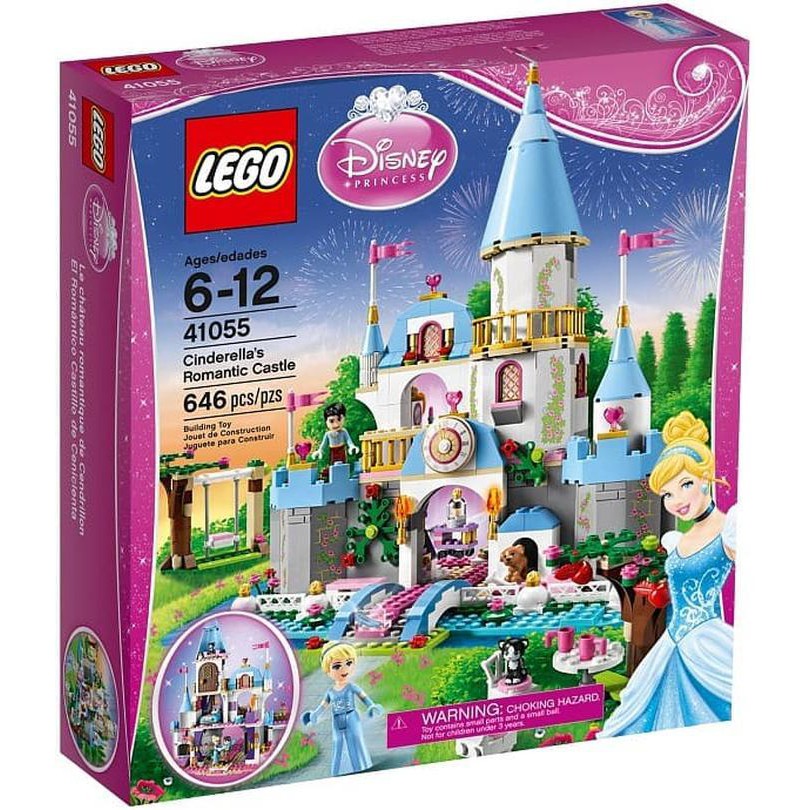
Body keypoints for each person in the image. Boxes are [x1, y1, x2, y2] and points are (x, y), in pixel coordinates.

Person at [599, 411, 736, 737]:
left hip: (706, 641)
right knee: (640, 709)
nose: (676, 501)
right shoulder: (677, 540)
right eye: (668, 494)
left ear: (705, 478)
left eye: (685, 485)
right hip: (672, 641)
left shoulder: (729, 528)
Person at [301, 641, 383, 776]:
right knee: (338, 742)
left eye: (349, 663)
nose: (344, 669)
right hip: (336, 719)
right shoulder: (330, 691)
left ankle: (360, 766)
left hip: (351, 717)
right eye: (337, 666)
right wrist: (314, 714)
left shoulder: (351, 687)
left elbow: (363, 697)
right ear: (328, 671)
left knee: (354, 739)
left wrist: (371, 705)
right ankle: (338, 770)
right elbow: (323, 705)